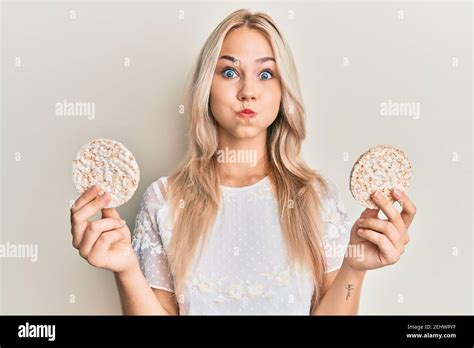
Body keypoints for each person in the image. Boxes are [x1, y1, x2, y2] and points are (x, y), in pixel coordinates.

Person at [69, 9, 417, 315]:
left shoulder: (315, 196)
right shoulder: (165, 199)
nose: (248, 90)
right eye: (230, 72)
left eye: (266, 74)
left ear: (283, 92)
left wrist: (354, 271)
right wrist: (126, 270)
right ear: (206, 86)